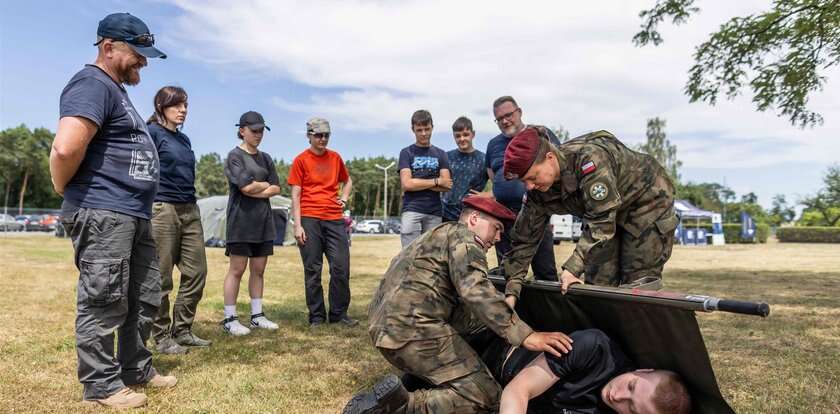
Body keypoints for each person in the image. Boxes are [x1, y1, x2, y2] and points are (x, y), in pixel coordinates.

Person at [343, 196, 575, 414]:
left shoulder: (436, 234)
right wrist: (526, 336)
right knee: (487, 396)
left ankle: (400, 395)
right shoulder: (466, 239)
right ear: (474, 219)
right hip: (414, 330)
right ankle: (401, 406)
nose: (496, 240)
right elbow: (475, 290)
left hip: (383, 327)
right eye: (496, 229)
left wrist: (509, 297)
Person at [50, 12, 175, 409]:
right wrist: (60, 186)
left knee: (144, 295)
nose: (144, 61)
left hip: (132, 213)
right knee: (104, 298)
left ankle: (136, 368)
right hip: (104, 210)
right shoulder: (91, 83)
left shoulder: (116, 90)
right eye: (137, 53)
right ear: (109, 47)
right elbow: (67, 147)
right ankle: (101, 386)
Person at [501, 127, 678, 307]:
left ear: (550, 158)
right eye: (524, 181)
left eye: (533, 177)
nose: (529, 186)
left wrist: (573, 268)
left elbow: (601, 220)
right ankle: (604, 334)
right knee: (597, 286)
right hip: (605, 215)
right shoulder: (537, 191)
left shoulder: (589, 159)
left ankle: (642, 332)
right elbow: (524, 240)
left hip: (646, 203)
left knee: (637, 286)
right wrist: (512, 288)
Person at [146, 86, 211, 355]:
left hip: (189, 208)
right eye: (177, 105)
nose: (183, 110)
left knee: (197, 272)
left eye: (185, 105)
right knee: (161, 277)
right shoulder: (151, 133)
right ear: (162, 106)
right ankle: (160, 337)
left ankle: (182, 330)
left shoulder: (183, 140)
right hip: (162, 209)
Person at [492, 329, 691, 414]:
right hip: (496, 361)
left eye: (631, 409)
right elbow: (518, 390)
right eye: (631, 386)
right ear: (643, 370)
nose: (617, 396)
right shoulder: (595, 348)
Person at [288, 117, 356, 328]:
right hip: (309, 219)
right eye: (318, 135)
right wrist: (297, 225)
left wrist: (343, 198)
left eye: (326, 135)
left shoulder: (335, 158)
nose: (323, 139)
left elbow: (348, 180)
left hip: (334, 219)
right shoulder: (301, 160)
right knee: (313, 269)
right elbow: (296, 195)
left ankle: (338, 314)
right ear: (309, 136)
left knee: (341, 267)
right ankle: (316, 316)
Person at [221, 111, 282, 336]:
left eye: (261, 131)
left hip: (263, 223)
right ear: (242, 130)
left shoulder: (266, 158)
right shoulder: (234, 156)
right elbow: (244, 187)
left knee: (259, 270)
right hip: (240, 223)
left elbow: (276, 187)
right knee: (237, 270)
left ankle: (257, 316)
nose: (258, 135)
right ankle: (230, 318)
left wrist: (258, 187)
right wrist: (262, 186)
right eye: (254, 130)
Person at [485, 96, 558, 282]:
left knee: (545, 271)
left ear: (519, 112)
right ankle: (510, 309)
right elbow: (492, 175)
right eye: (499, 119)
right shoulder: (493, 145)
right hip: (504, 219)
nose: (504, 121)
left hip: (536, 215)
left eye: (508, 115)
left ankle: (546, 310)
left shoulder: (541, 134)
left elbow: (558, 167)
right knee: (507, 272)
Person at [398, 110, 452, 246]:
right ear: (413, 130)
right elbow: (406, 184)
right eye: (419, 130)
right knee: (409, 258)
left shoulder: (441, 154)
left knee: (432, 258)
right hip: (411, 211)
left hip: (434, 213)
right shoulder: (406, 153)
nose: (423, 133)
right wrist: (435, 180)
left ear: (432, 127)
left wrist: (417, 182)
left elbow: (446, 185)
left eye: (427, 129)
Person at [441, 116, 489, 222]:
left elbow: (499, 183)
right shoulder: (446, 156)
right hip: (444, 215)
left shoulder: (484, 159)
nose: (462, 139)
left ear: (473, 134)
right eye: (458, 136)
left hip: (470, 216)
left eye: (466, 135)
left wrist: (488, 195)